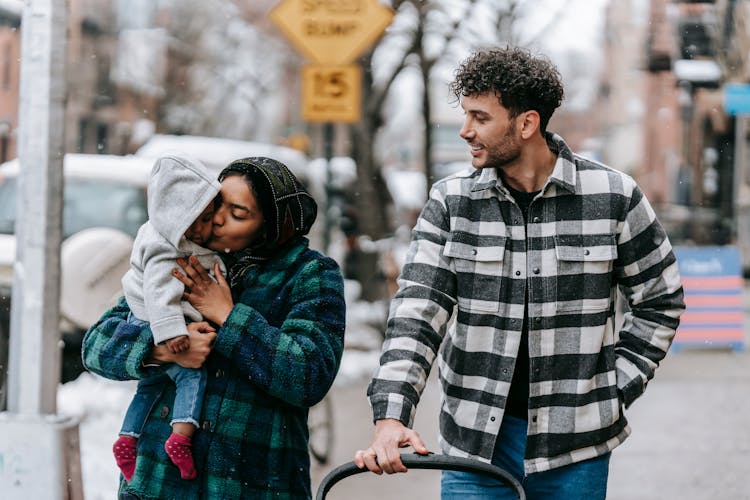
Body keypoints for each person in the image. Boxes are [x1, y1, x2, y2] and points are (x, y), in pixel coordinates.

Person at [354, 47, 685, 499]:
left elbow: (659, 301)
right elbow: (417, 311)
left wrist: (612, 388)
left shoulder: (614, 196)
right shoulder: (452, 202)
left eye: (480, 117)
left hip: (576, 448)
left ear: (526, 123)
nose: (465, 130)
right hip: (475, 444)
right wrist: (392, 415)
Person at [82, 156, 346, 499]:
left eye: (238, 214)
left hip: (252, 486)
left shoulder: (309, 274)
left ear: (272, 225)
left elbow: (308, 375)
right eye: (216, 205)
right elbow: (96, 346)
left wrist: (228, 316)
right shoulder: (180, 250)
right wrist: (164, 348)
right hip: (158, 484)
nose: (217, 220)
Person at [113, 154, 225, 483]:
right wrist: (171, 336)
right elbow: (160, 292)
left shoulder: (162, 233)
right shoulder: (167, 247)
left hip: (146, 320)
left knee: (148, 388)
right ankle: (181, 437)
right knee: (192, 375)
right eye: (202, 220)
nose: (209, 228)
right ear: (181, 219)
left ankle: (126, 437)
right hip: (155, 322)